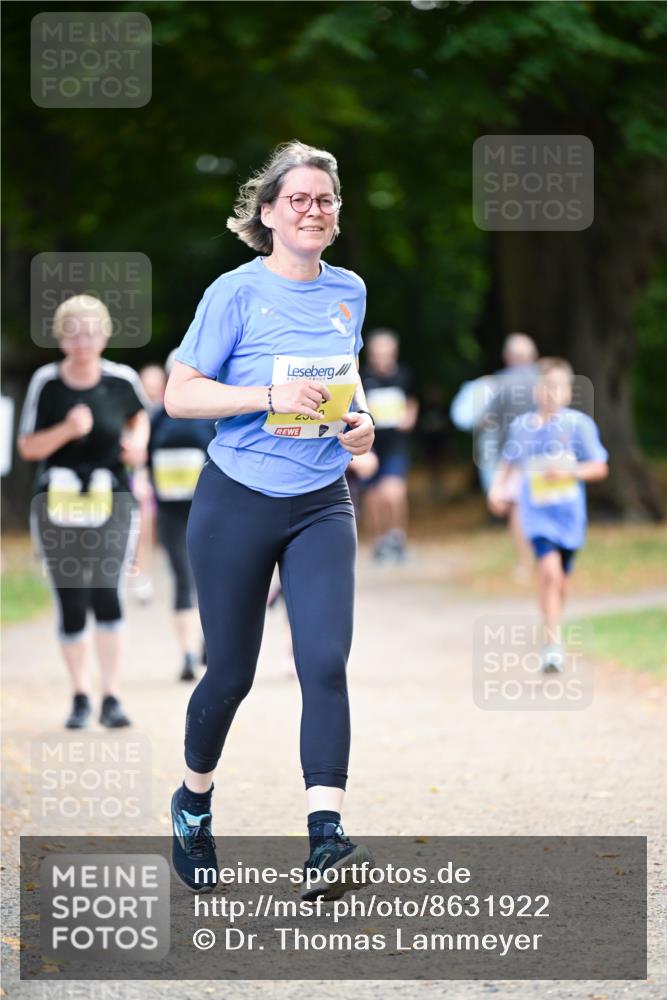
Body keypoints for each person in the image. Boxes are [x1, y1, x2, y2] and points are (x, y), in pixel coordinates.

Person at [165, 140, 376, 899]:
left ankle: (326, 836)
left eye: (326, 199)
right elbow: (179, 395)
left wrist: (362, 426)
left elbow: (343, 392)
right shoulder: (234, 293)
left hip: (322, 498)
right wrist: (263, 399)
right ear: (268, 213)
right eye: (299, 199)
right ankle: (192, 803)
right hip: (237, 499)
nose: (314, 209)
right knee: (230, 674)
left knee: (323, 663)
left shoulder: (347, 290)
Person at [17, 294, 150, 727]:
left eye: (91, 332)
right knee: (71, 598)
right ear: (60, 339)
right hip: (56, 500)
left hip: (112, 497)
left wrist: (138, 445)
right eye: (72, 333)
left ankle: (111, 696)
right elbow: (28, 446)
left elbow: (140, 419)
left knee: (106, 592)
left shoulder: (121, 380)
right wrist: (67, 430)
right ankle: (79, 695)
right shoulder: (47, 384)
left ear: (105, 335)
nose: (82, 341)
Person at [487, 357, 608, 671]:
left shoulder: (579, 425)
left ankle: (553, 627)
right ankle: (552, 644)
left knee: (561, 581)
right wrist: (496, 489)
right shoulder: (522, 427)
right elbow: (509, 462)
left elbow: (599, 467)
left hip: (569, 516)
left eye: (557, 387)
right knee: (549, 571)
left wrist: (569, 472)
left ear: (568, 392)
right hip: (536, 514)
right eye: (544, 386)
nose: (550, 392)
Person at [147, 350, 216, 681]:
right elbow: (144, 460)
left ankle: (207, 643)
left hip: (210, 511)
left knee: (209, 580)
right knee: (184, 579)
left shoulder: (214, 415)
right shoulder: (157, 417)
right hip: (172, 511)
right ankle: (189, 653)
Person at [360, 329, 419, 563]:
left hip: (396, 443)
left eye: (387, 353)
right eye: (378, 354)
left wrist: (410, 417)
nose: (382, 358)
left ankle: (397, 537)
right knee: (373, 497)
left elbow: (412, 401)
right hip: (371, 446)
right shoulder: (362, 377)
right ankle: (380, 541)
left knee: (393, 492)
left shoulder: (404, 375)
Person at [131, 364, 168, 604]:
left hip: (168, 480)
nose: (152, 390)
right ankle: (143, 577)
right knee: (143, 530)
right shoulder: (135, 414)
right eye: (148, 385)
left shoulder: (171, 412)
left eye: (156, 385)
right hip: (142, 478)